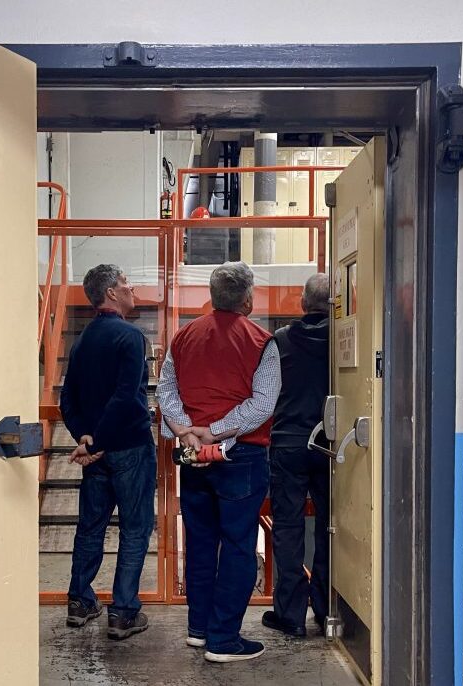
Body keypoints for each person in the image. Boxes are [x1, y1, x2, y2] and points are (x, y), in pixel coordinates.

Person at [157, 261, 280, 663]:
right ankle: (223, 640)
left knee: (201, 542)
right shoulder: (263, 342)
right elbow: (262, 404)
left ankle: (199, 628)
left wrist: (186, 431)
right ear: (249, 299)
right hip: (240, 456)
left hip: (193, 457)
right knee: (239, 546)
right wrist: (218, 431)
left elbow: (166, 390)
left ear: (211, 297)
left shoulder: (183, 337)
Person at [59, 264, 156, 641]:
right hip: (129, 448)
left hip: (95, 455)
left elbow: (68, 398)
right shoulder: (131, 338)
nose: (132, 289)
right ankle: (123, 612)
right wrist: (96, 442)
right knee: (135, 530)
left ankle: (80, 602)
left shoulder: (82, 341)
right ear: (112, 293)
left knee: (91, 527)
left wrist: (84, 439)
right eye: (127, 284)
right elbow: (124, 398)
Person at [263, 272, 331, 638]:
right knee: (330, 527)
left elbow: (266, 394)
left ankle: (290, 616)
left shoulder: (281, 341)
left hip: (288, 443)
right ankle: (326, 609)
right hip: (330, 444)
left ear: (303, 303)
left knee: (287, 528)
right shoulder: (343, 338)